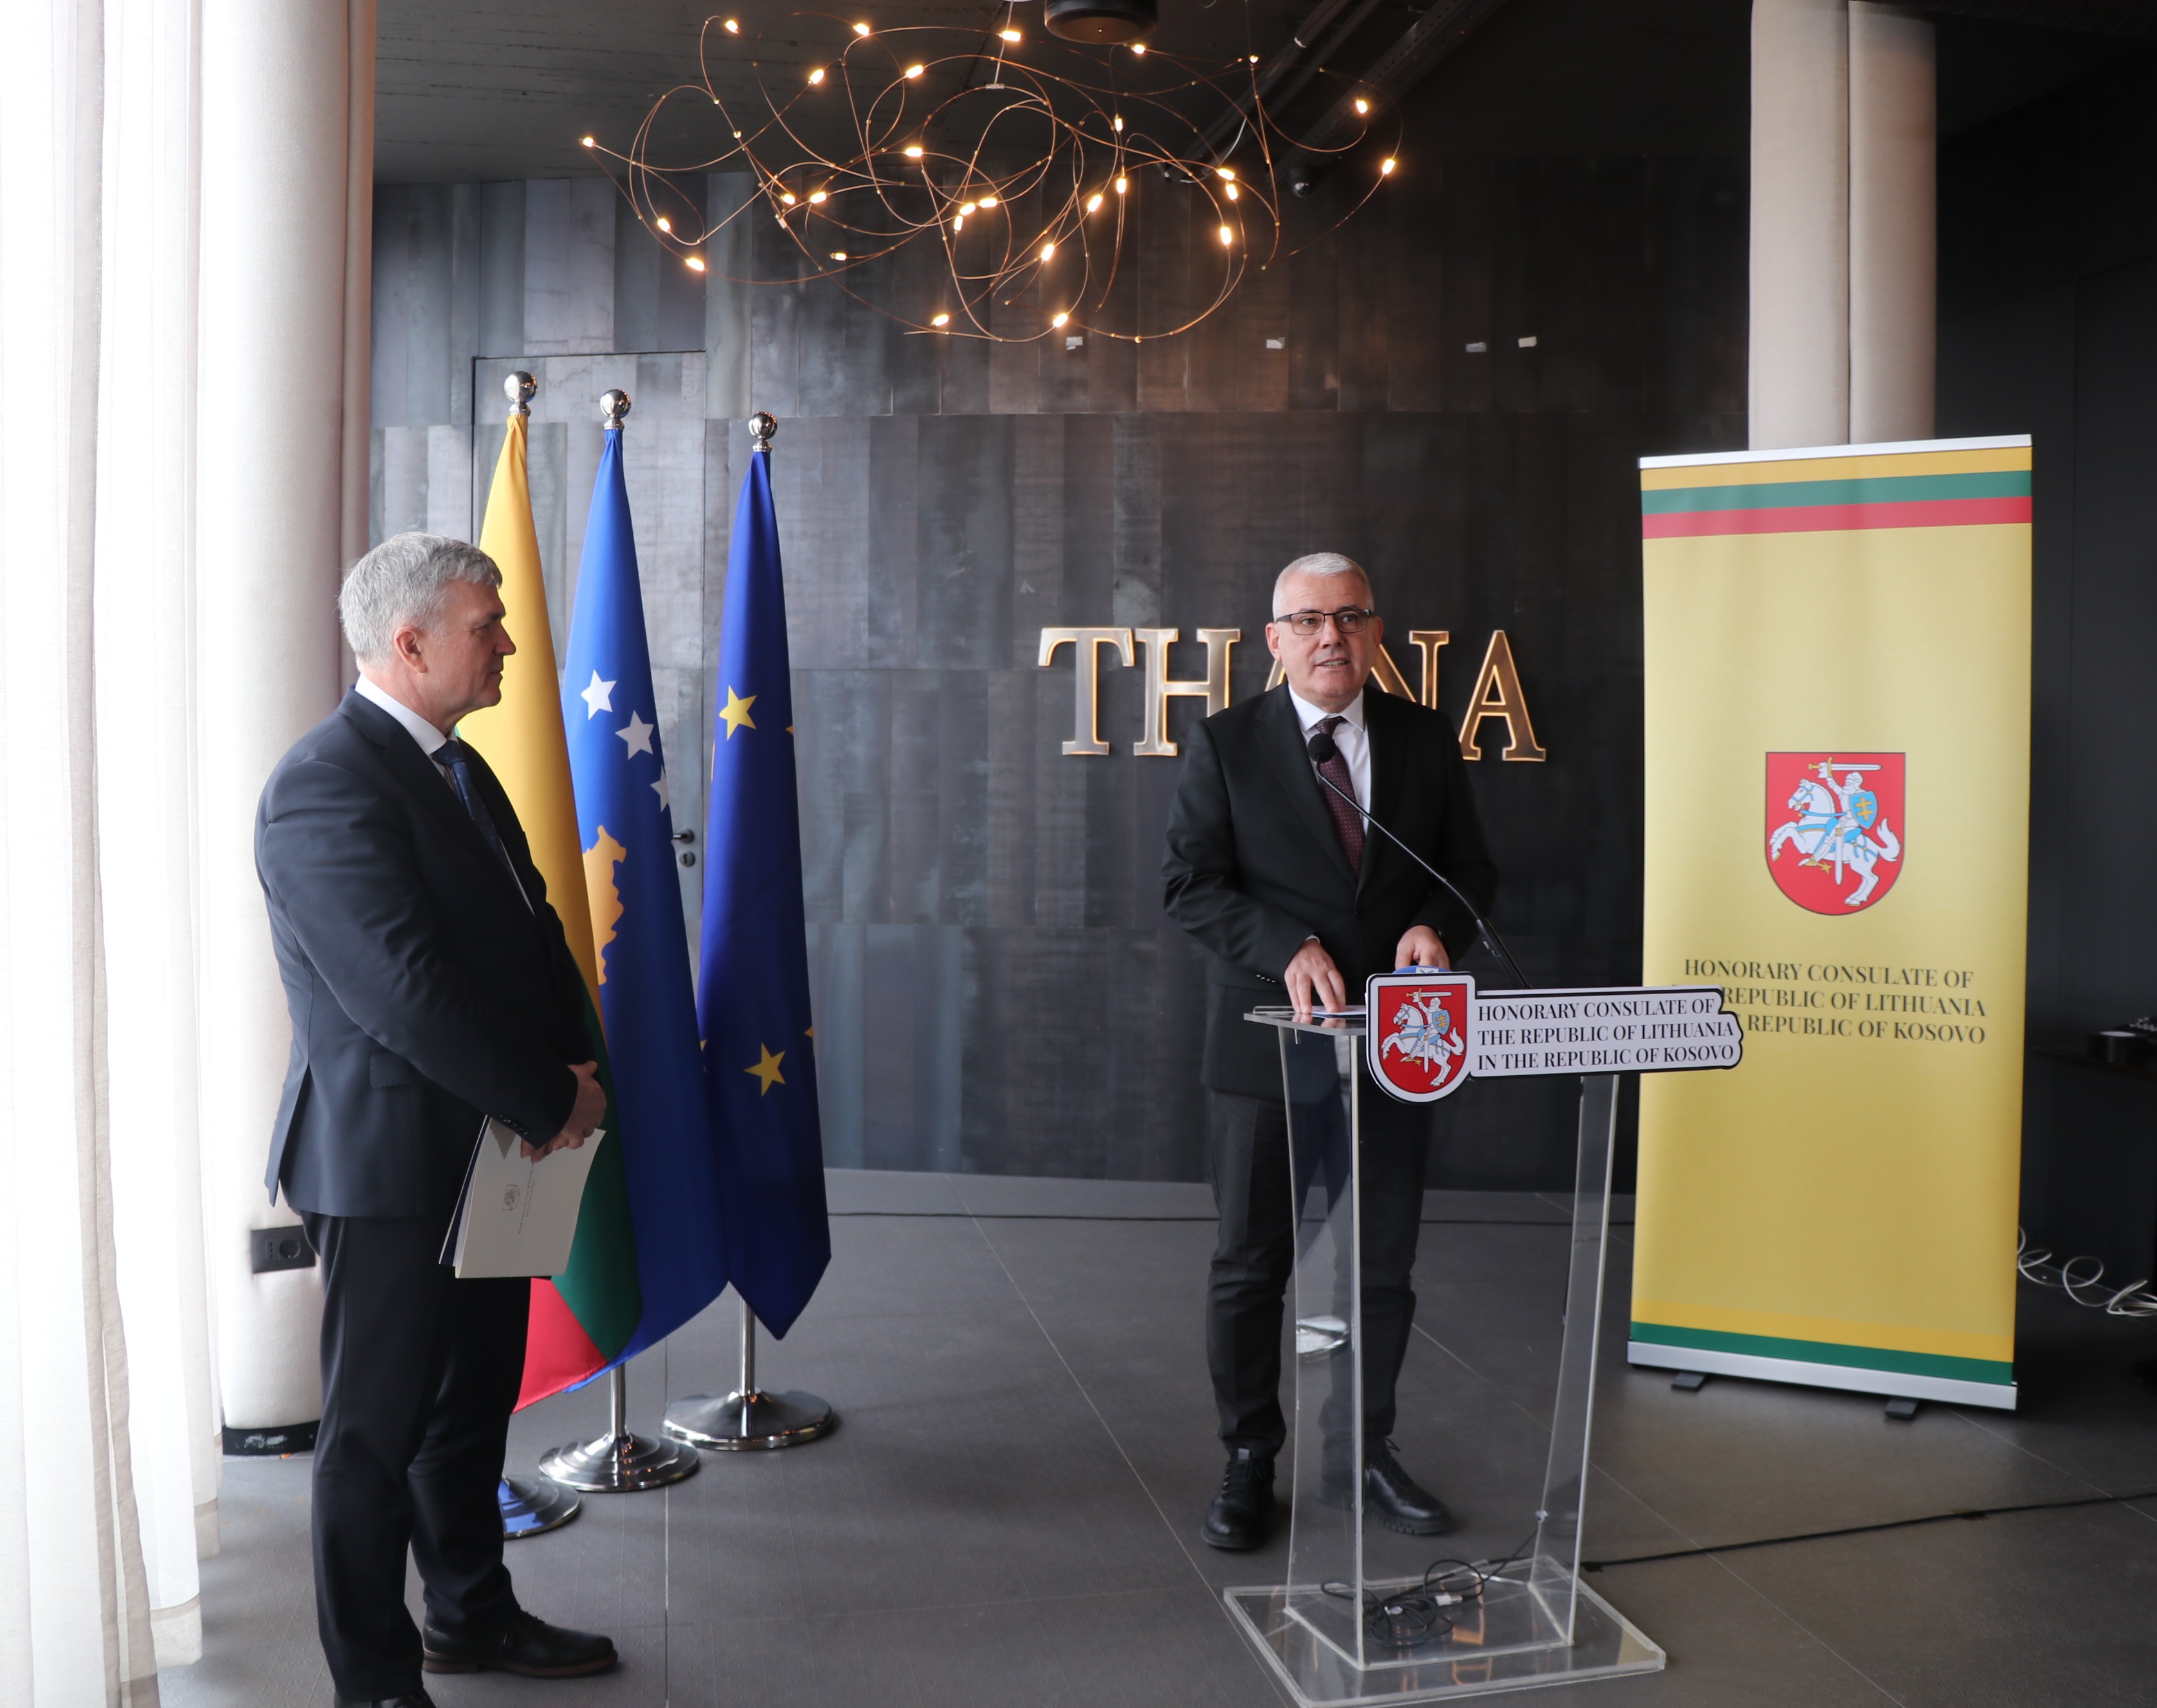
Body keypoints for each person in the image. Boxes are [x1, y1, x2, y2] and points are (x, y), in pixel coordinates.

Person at [257, 533, 617, 1704]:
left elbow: (525, 939)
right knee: (372, 1436)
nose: (507, 642)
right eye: (485, 625)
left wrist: (566, 1079)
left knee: (469, 1409)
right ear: (409, 645)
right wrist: (551, 1095)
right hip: (392, 1167)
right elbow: (401, 993)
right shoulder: (323, 784)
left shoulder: (459, 768)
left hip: (497, 1153)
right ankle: (374, 1680)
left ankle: (470, 1614)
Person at [1162, 551, 1499, 1552]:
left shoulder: (1423, 737)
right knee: (1250, 1266)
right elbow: (1189, 886)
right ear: (1275, 640)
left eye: (1348, 617)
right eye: (1307, 620)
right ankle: (1247, 1457)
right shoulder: (1226, 742)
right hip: (1266, 1049)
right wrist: (1286, 946)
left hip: (1395, 1046)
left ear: (1375, 632)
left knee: (1380, 1266)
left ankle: (1364, 1449)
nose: (1329, 637)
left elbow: (1469, 870)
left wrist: (1437, 928)